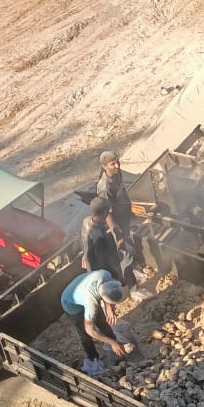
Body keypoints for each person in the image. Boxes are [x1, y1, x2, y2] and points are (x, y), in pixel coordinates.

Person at [59, 269, 139, 366]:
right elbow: (90, 330)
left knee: (103, 322)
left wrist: (109, 308)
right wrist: (113, 343)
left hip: (83, 288)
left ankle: (115, 345)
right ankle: (93, 357)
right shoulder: (91, 303)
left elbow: (109, 290)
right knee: (85, 334)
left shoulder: (106, 275)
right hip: (71, 303)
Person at [93, 150, 137, 284]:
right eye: (113, 164)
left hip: (124, 217)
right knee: (125, 254)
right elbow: (106, 212)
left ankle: (133, 270)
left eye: (118, 162)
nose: (117, 166)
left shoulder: (117, 174)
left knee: (130, 247)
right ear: (104, 166)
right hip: (116, 223)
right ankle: (131, 286)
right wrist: (116, 232)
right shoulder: (104, 187)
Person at [80, 197, 124, 280]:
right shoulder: (98, 237)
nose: (108, 214)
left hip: (90, 265)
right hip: (99, 273)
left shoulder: (86, 221)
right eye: (107, 211)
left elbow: (83, 242)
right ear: (104, 213)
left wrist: (85, 253)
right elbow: (105, 263)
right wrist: (117, 277)